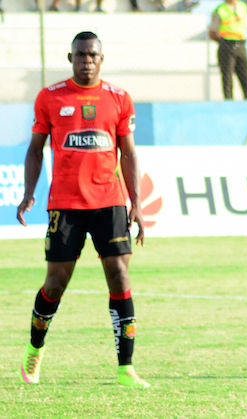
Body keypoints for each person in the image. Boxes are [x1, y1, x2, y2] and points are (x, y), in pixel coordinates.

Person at [15, 31, 149, 388]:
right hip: (66, 204)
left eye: (92, 55)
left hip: (110, 203)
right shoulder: (49, 97)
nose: (86, 60)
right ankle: (35, 349)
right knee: (55, 283)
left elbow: (129, 153)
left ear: (101, 59)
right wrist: (29, 193)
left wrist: (136, 203)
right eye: (80, 55)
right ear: (70, 57)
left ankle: (126, 368)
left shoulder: (119, 99)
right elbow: (34, 150)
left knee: (120, 276)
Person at [209, 0, 247, 101]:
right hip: (227, 44)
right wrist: (223, 42)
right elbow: (212, 32)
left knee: (245, 76)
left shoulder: (243, 6)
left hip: (241, 43)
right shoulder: (220, 10)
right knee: (227, 78)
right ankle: (229, 102)